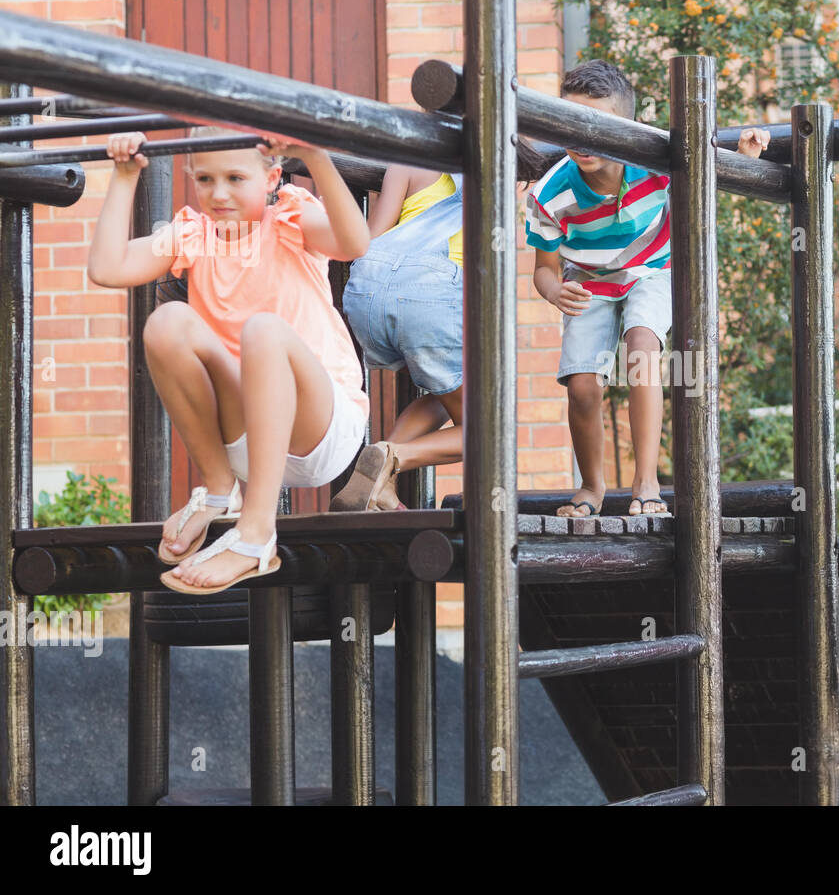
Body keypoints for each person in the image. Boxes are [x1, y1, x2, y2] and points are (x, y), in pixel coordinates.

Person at [88, 128, 371, 594]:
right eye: (205, 180)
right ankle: (219, 489)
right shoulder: (193, 236)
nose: (218, 194)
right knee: (167, 322)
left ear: (271, 178)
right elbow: (107, 268)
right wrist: (122, 176)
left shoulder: (291, 219)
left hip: (322, 429)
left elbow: (354, 243)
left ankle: (258, 533)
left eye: (236, 178)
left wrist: (317, 156)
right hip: (247, 439)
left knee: (262, 330)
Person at [525, 60, 769, 517]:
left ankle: (647, 483)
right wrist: (554, 291)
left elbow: (705, 183)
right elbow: (544, 269)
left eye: (596, 125)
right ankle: (592, 488)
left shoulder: (655, 161)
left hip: (652, 268)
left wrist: (747, 158)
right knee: (581, 386)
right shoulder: (550, 193)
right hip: (589, 281)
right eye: (571, 123)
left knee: (642, 346)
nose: (582, 139)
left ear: (626, 127)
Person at [332, 139, 549, 511]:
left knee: (444, 393)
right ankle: (391, 455)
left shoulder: (406, 161)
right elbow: (498, 254)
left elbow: (370, 239)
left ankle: (382, 481)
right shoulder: (495, 171)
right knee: (487, 433)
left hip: (367, 303)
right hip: (432, 304)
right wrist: (506, 201)